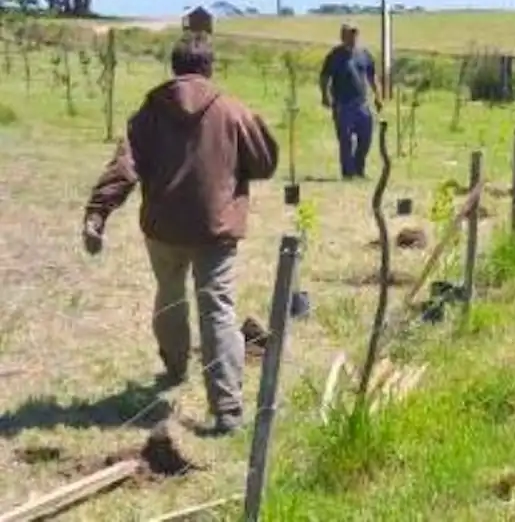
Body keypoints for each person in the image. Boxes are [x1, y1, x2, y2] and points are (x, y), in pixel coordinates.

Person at [81, 31, 279, 435]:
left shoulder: (151, 111)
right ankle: (227, 409)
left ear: (174, 67)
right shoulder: (232, 110)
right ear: (208, 67)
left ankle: (174, 367)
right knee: (218, 310)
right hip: (215, 227)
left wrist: (98, 212)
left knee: (169, 297)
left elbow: (125, 165)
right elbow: (264, 162)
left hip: (164, 227)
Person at [319, 22, 382, 180]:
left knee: (366, 137)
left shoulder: (364, 54)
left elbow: (372, 76)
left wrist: (378, 95)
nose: (353, 37)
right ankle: (348, 173)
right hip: (343, 104)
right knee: (345, 140)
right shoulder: (335, 55)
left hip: (362, 104)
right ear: (342, 36)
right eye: (349, 34)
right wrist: (325, 95)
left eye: (355, 34)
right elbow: (324, 77)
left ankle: (359, 169)